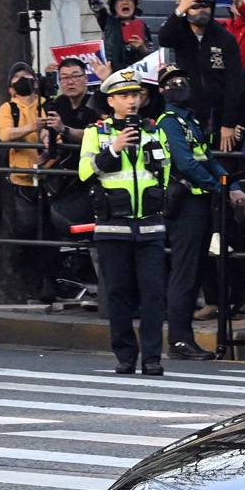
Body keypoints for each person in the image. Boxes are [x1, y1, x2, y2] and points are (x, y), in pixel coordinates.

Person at [81, 69, 172, 374]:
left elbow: (165, 173)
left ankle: (152, 357)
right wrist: (114, 148)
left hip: (150, 225)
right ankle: (124, 355)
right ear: (110, 101)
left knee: (153, 292)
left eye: (135, 95)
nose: (132, 101)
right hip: (112, 226)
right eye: (124, 96)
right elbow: (85, 171)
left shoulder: (153, 130)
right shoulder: (96, 133)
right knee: (118, 292)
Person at [153, 65, 223, 360]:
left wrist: (226, 181)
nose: (179, 85)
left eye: (182, 80)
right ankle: (179, 339)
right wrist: (217, 186)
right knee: (185, 272)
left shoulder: (189, 120)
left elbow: (205, 157)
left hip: (200, 201)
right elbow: (185, 163)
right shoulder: (169, 121)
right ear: (161, 92)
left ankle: (183, 338)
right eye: (171, 83)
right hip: (184, 205)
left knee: (193, 270)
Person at [158, 0, 245, 151]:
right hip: (190, 113)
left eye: (205, 5)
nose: (201, 10)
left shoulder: (225, 38)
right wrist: (179, 10)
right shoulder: (180, 34)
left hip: (221, 116)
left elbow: (235, 83)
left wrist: (228, 123)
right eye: (195, 6)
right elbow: (164, 38)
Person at [0, 63, 55, 289]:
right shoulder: (8, 109)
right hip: (22, 179)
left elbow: (56, 139)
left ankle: (49, 280)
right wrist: (32, 127)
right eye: (16, 77)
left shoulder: (47, 106)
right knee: (27, 227)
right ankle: (29, 277)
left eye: (26, 75)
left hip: (48, 177)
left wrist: (48, 154)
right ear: (11, 86)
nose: (22, 79)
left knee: (49, 229)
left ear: (36, 82)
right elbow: (5, 134)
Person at [80, 0, 155, 70]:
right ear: (114, 6)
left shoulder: (143, 27)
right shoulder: (107, 22)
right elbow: (95, 3)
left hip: (136, 76)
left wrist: (141, 48)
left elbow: (151, 58)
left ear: (135, 5)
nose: (125, 2)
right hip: (113, 74)